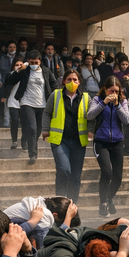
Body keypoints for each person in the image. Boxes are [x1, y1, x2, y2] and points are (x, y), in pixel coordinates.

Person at [42, 69, 91, 202]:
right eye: (69, 79)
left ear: (79, 82)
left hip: (78, 141)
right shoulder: (56, 95)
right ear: (63, 81)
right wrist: (45, 129)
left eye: (75, 80)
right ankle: (59, 201)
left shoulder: (86, 97)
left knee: (75, 175)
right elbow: (47, 112)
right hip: (60, 140)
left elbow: (91, 117)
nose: (72, 82)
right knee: (64, 170)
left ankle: (72, 204)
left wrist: (91, 130)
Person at [89, 76, 129, 217]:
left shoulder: (123, 101)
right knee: (107, 172)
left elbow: (126, 120)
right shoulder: (97, 100)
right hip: (101, 141)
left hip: (117, 142)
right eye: (110, 91)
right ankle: (103, 203)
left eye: (116, 91)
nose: (113, 94)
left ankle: (109, 198)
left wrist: (118, 105)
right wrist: (104, 104)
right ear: (105, 90)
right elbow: (89, 115)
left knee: (118, 176)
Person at [6, 50, 57, 164]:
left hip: (43, 105)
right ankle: (33, 155)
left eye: (36, 62)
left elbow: (54, 84)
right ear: (28, 62)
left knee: (38, 130)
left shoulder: (46, 71)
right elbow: (9, 80)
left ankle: (25, 139)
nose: (34, 65)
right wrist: (19, 70)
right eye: (31, 62)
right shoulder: (24, 71)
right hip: (27, 103)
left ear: (40, 62)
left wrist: (55, 96)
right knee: (32, 128)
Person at [3, 196, 80, 247]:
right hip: (3, 237)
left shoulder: (40, 204)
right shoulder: (45, 215)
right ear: (55, 215)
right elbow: (44, 245)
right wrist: (68, 218)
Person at [5, 58, 24, 150]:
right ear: (13, 66)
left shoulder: (27, 75)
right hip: (13, 101)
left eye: (21, 65)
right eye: (17, 65)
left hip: (24, 101)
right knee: (15, 120)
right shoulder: (10, 75)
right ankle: (14, 141)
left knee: (25, 122)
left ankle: (24, 140)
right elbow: (7, 84)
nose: (19, 67)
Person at [0, 40, 18, 129]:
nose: (12, 49)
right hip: (6, 82)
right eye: (10, 47)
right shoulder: (3, 57)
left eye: (14, 47)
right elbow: (2, 69)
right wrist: (12, 67)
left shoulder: (19, 57)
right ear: (7, 48)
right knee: (6, 102)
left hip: (17, 84)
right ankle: (6, 121)